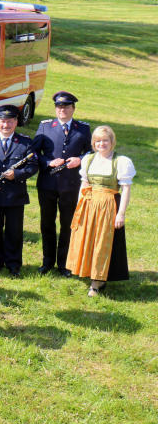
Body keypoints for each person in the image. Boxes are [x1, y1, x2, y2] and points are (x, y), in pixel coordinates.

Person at [66, 125, 135, 297]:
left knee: (101, 242)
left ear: (112, 141)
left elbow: (126, 189)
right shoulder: (88, 159)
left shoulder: (121, 162)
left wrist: (121, 213)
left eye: (105, 140)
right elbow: (84, 184)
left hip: (108, 206)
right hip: (88, 204)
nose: (101, 144)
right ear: (93, 143)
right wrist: (79, 205)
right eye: (97, 141)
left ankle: (97, 282)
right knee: (86, 238)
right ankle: (86, 270)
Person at [32, 91, 92, 277]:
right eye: (59, 107)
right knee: (47, 223)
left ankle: (65, 264)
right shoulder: (45, 127)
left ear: (73, 109)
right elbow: (33, 153)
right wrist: (48, 162)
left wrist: (80, 159)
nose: (62, 110)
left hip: (71, 185)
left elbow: (92, 151)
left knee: (68, 224)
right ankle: (47, 262)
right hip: (48, 183)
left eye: (66, 107)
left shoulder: (83, 129)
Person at [0, 106, 38, 277]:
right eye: (2, 121)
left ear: (16, 122)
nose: (6, 125)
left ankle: (13, 264)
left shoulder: (25, 142)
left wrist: (17, 174)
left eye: (10, 121)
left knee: (14, 231)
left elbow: (33, 167)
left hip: (15, 195)